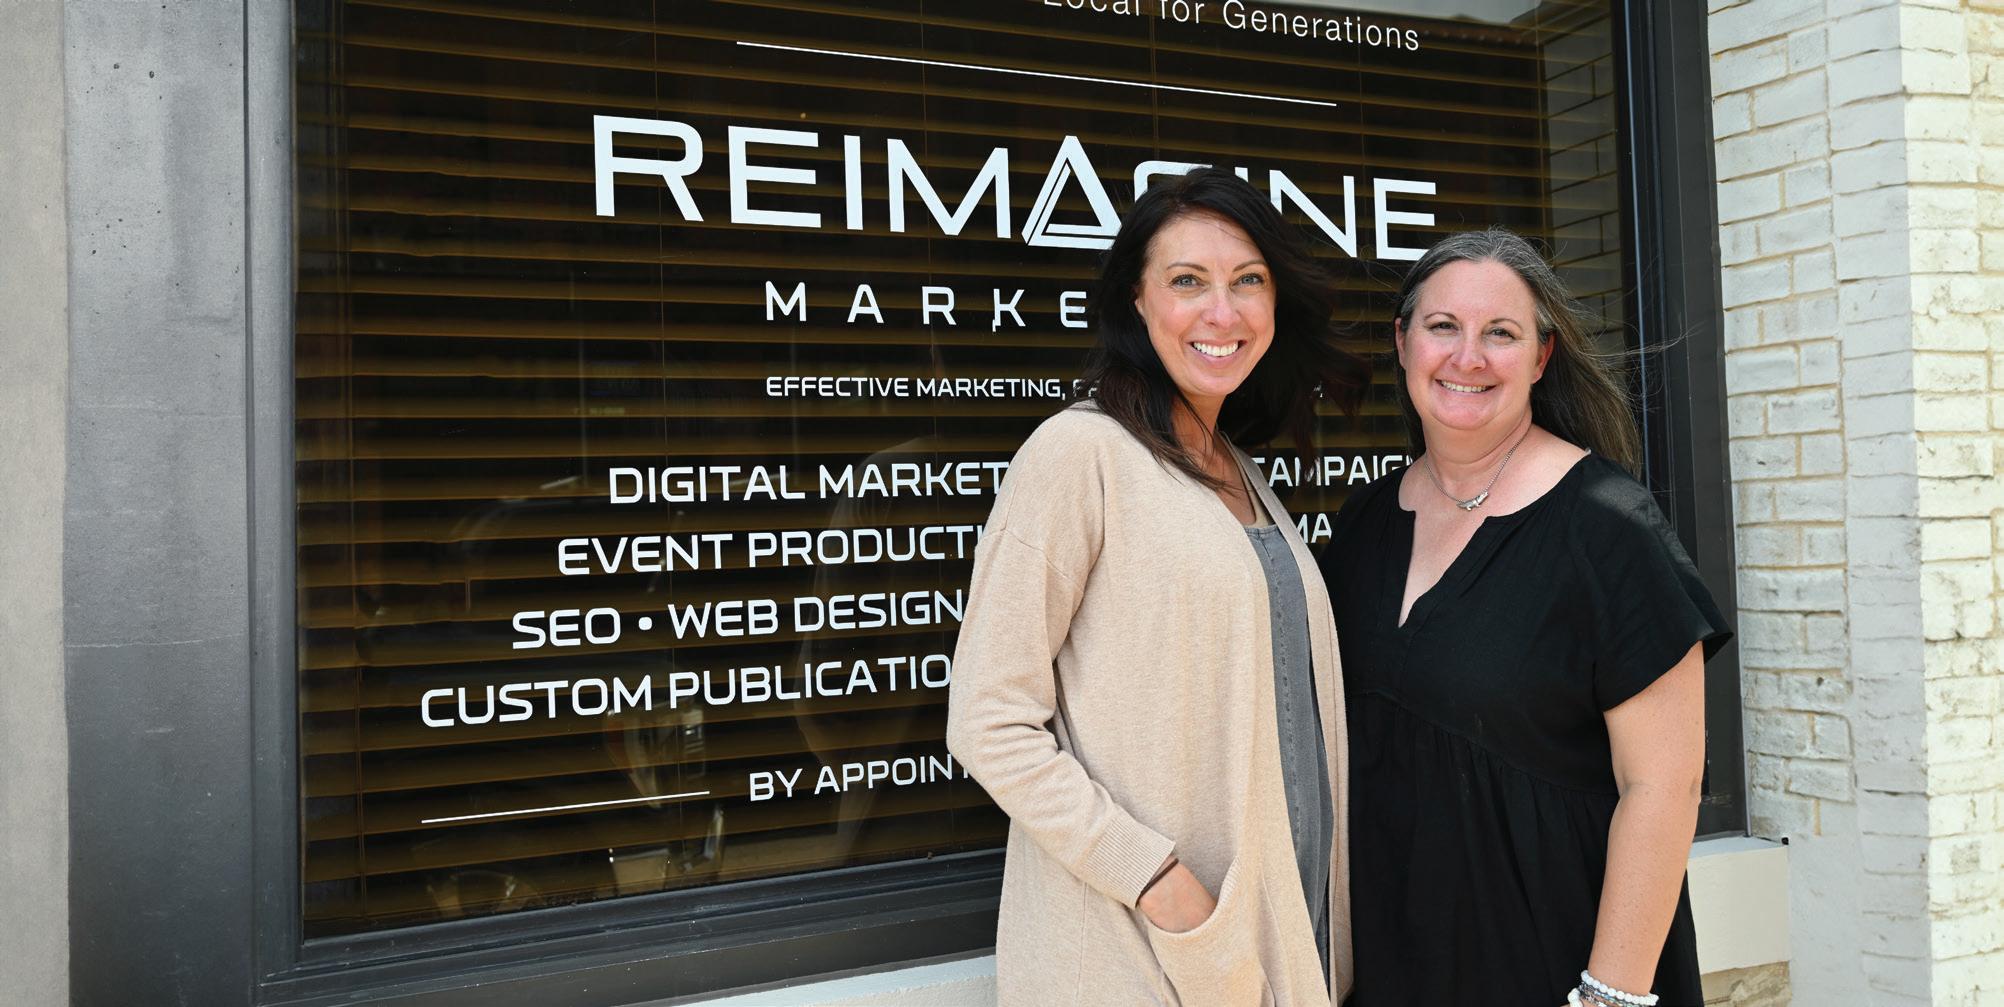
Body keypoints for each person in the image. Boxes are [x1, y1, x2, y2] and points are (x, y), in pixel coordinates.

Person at [946, 167, 1369, 1006]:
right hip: (1135, 955)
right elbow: (988, 720)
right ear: (1135, 302)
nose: (1223, 311)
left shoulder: (1241, 470)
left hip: (1278, 945)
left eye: (1248, 280)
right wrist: (1160, 884)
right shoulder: (1079, 454)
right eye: (1187, 281)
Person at [1319, 228, 1731, 1007]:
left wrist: (1605, 997)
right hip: (1400, 970)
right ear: (1403, 343)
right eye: (1443, 326)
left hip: (1556, 970)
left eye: (1501, 333)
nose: (1468, 356)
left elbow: (1663, 786)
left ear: (1541, 357)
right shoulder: (1365, 524)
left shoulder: (1608, 524)